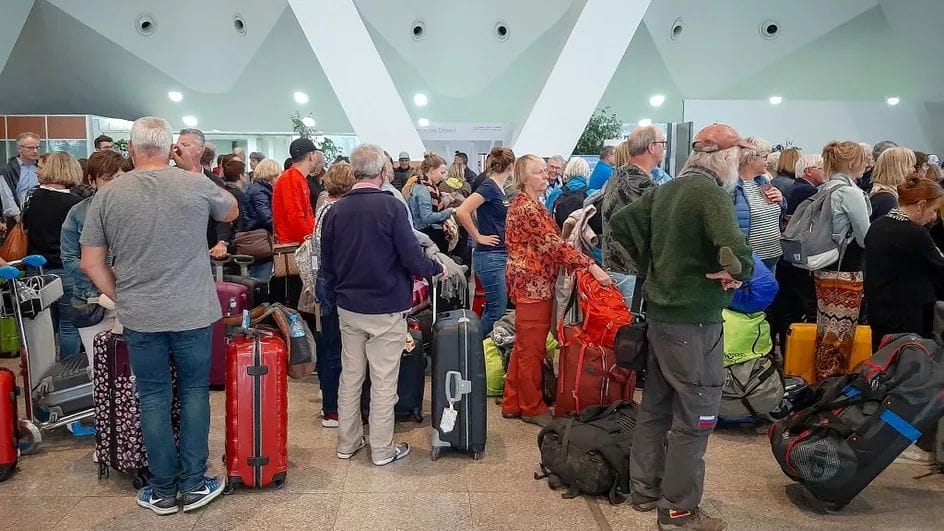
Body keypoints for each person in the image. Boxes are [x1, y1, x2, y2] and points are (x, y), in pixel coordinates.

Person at [80, 116, 238, 515]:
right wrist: (191, 169)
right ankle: (194, 481)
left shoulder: (109, 195)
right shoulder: (195, 183)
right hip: (192, 311)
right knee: (194, 392)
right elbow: (232, 211)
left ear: (130, 150)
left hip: (140, 314)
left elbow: (90, 263)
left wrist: (121, 295)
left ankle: (162, 489)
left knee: (152, 395)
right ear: (171, 149)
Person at [610, 122, 754, 531]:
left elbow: (622, 222)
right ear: (726, 158)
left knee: (655, 408)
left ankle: (645, 490)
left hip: (659, 316)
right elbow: (734, 249)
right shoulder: (710, 194)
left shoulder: (667, 188)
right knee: (696, 416)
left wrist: (654, 266)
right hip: (694, 321)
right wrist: (734, 270)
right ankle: (678, 509)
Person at [320, 143, 445, 466]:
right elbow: (411, 257)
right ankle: (381, 449)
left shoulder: (336, 210)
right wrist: (436, 268)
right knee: (384, 379)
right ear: (382, 172)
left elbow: (328, 264)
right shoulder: (390, 207)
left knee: (351, 377)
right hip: (386, 306)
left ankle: (347, 443)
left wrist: (334, 297)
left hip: (349, 306)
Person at [503, 154, 611, 427]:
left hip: (532, 284)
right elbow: (555, 246)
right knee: (532, 350)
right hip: (533, 287)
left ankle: (513, 401)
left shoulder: (530, 204)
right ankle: (531, 407)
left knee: (524, 347)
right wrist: (590, 266)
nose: (547, 175)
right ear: (525, 177)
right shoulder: (527, 208)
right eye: (540, 172)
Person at [60, 150, 130, 363]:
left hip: (133, 299)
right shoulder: (78, 213)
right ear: (92, 181)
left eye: (121, 178)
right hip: (91, 300)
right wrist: (102, 275)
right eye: (108, 179)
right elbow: (69, 258)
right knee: (98, 367)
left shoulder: (138, 210)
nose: (116, 185)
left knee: (132, 370)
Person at [812, 141, 871, 381]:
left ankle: (822, 380)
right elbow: (866, 237)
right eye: (863, 159)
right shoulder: (851, 193)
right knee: (841, 331)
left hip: (824, 266)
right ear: (851, 163)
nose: (867, 163)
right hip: (846, 271)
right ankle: (832, 383)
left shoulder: (824, 188)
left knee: (826, 327)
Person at [865, 177, 944, 350]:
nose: (934, 217)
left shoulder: (876, 226)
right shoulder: (916, 234)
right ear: (922, 204)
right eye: (934, 210)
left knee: (882, 365)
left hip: (878, 312)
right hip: (908, 315)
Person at [22, 151, 84, 360]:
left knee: (43, 327)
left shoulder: (31, 197)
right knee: (69, 326)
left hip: (36, 269)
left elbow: (26, 228)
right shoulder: (75, 204)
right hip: (67, 269)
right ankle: (66, 374)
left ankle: (44, 373)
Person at [312, 162, 355, 428]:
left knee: (329, 346)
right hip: (335, 287)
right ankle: (333, 408)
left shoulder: (323, 207)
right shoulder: (337, 211)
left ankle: (329, 403)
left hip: (323, 285)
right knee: (336, 350)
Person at [455, 147, 515, 335]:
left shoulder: (497, 187)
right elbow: (462, 211)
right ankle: (474, 346)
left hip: (497, 254)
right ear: (511, 166)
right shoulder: (489, 186)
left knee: (494, 307)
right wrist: (478, 236)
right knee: (497, 309)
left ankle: (478, 348)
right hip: (490, 256)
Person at [601, 126, 663, 307]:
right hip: (631, 272)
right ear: (651, 147)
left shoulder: (619, 174)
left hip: (615, 266)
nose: (663, 148)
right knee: (630, 330)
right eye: (662, 144)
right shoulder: (642, 184)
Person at [735, 137, 785, 272]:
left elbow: (778, 212)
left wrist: (782, 201)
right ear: (750, 159)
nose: (767, 161)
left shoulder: (763, 183)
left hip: (772, 256)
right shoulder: (733, 188)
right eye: (764, 156)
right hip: (750, 259)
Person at [273, 138, 317, 244]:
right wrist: (310, 240)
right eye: (315, 153)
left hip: (298, 242)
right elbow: (295, 216)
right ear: (311, 155)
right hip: (293, 244)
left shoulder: (298, 178)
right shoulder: (291, 179)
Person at [408, 153, 455, 253]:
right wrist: (448, 212)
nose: (443, 177)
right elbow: (427, 217)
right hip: (428, 234)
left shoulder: (425, 187)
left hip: (428, 232)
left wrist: (441, 197)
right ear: (432, 170)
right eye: (442, 173)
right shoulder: (424, 190)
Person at [243, 158, 280, 281]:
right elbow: (267, 218)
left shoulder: (256, 188)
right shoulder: (260, 192)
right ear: (270, 175)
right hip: (260, 240)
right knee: (261, 279)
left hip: (256, 237)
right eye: (277, 175)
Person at [869, 147, 916, 221]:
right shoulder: (887, 199)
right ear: (899, 168)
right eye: (911, 166)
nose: (914, 170)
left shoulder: (880, 192)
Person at [1, 132, 42, 213]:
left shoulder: (44, 167)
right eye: (30, 148)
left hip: (41, 213)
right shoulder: (7, 170)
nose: (35, 151)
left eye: (37, 147)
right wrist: (19, 221)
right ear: (19, 148)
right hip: (18, 215)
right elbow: (7, 198)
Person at [221, 159, 249, 237]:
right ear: (241, 176)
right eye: (244, 173)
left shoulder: (222, 191)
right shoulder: (239, 195)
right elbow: (242, 219)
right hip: (237, 237)